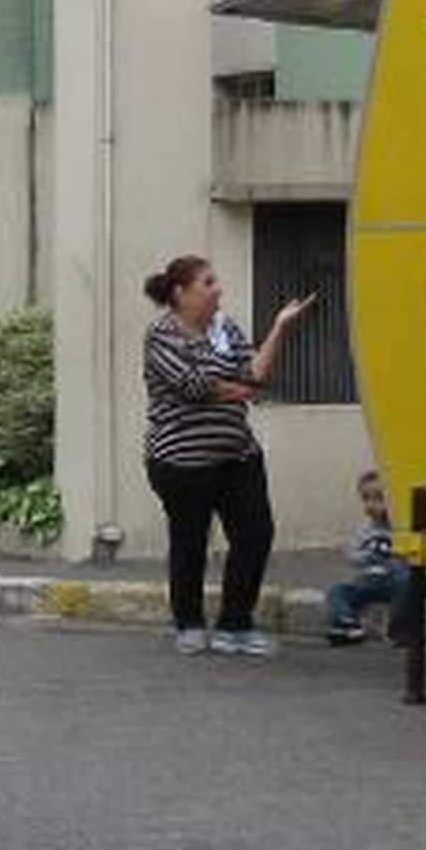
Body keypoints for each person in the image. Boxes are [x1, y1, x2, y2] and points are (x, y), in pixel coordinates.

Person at [140, 255, 318, 658]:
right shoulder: (162, 334)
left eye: (216, 281)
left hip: (237, 453)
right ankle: (188, 623)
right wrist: (238, 386)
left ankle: (235, 624)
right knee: (190, 542)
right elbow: (195, 386)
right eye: (208, 283)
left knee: (256, 535)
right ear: (180, 293)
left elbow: (256, 374)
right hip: (181, 461)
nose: (218, 288)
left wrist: (279, 328)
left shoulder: (226, 327)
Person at [326, 468, 417, 648]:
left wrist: (398, 551)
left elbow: (411, 555)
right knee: (337, 591)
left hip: (394, 579)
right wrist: (366, 556)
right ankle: (347, 623)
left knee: (408, 582)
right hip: (368, 579)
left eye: (378, 498)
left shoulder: (401, 528)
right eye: (366, 498)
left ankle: (397, 630)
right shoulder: (364, 530)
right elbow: (352, 555)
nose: (371, 505)